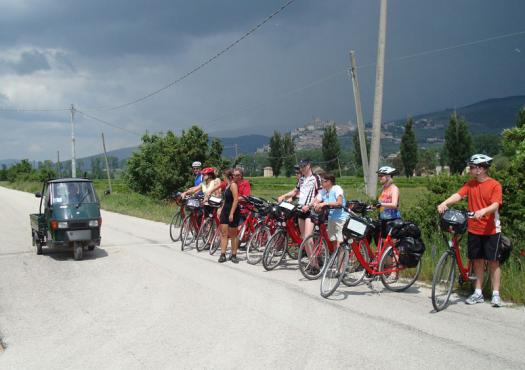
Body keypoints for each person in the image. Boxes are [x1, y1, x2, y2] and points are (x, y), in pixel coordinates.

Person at [437, 154, 503, 307]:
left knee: (493, 262)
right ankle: (478, 292)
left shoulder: (495, 185)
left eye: (472, 167)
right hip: (474, 229)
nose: (470, 169)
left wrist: (484, 211)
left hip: (491, 229)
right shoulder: (470, 184)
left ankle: (496, 294)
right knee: (477, 261)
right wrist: (444, 203)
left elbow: (495, 205)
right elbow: (458, 195)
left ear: (481, 169)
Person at [278, 159, 321, 240]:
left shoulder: (315, 178)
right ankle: (308, 253)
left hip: (310, 210)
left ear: (308, 166)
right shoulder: (301, 179)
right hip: (301, 209)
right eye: (301, 167)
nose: (301, 169)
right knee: (304, 237)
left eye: (303, 166)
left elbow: (320, 194)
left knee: (308, 238)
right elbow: (295, 191)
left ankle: (312, 253)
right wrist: (283, 196)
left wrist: (309, 205)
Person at [313, 172, 347, 251]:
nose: (321, 182)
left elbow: (339, 203)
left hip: (340, 218)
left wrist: (325, 203)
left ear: (329, 182)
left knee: (340, 242)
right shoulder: (323, 191)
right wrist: (315, 205)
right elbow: (316, 200)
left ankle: (340, 263)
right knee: (333, 241)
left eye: (322, 181)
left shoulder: (337, 188)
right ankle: (336, 261)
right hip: (331, 218)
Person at [218, 169, 241, 263]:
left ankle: (234, 255)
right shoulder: (227, 185)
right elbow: (226, 200)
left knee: (233, 235)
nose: (223, 177)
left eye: (223, 176)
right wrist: (221, 208)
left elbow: (235, 200)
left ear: (227, 176)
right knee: (223, 234)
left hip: (233, 212)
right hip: (225, 211)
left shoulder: (233, 185)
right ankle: (222, 254)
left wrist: (231, 213)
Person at [376, 166, 401, 238]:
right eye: (379, 175)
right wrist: (373, 207)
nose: (379, 177)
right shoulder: (382, 189)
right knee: (384, 244)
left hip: (393, 221)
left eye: (381, 175)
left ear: (388, 176)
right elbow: (380, 204)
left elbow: (394, 204)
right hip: (383, 220)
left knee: (392, 244)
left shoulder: (394, 189)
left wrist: (381, 204)